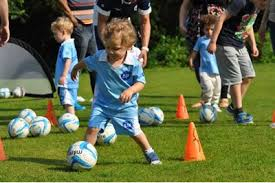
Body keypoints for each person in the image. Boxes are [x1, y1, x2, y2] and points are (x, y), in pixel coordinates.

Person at [71, 18, 161, 165]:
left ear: (128, 46)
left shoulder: (133, 62)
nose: (111, 52)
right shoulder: (100, 57)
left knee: (134, 132)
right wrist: (76, 68)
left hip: (124, 106)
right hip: (101, 104)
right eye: (109, 47)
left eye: (117, 48)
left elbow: (141, 82)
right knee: (92, 128)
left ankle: (149, 152)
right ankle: (84, 156)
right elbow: (86, 61)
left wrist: (131, 90)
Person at [207, 0, 267, 124]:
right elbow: (220, 18)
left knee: (249, 75)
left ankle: (233, 107)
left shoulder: (256, 7)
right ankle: (239, 113)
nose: (266, 3)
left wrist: (253, 45)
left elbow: (248, 26)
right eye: (264, 0)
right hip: (225, 42)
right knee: (236, 79)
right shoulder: (240, 3)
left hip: (239, 44)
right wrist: (213, 42)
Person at [179, 0, 230, 109]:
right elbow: (185, 4)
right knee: (199, 64)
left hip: (219, 23)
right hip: (196, 27)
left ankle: (223, 97)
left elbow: (233, 5)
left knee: (221, 61)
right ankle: (206, 98)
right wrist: (181, 23)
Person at [58, 0, 98, 108]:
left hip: (93, 25)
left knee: (95, 65)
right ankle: (70, 101)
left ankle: (97, 100)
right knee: (75, 65)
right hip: (79, 25)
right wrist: (72, 18)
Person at [95, 0, 151, 67]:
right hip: (103, 22)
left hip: (124, 21)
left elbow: (145, 22)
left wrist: (144, 48)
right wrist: (107, 46)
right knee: (106, 62)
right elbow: (102, 22)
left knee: (131, 59)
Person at [188, 15, 221, 112]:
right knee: (208, 88)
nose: (209, 32)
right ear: (203, 29)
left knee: (217, 89)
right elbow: (195, 51)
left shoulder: (217, 40)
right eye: (207, 29)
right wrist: (191, 60)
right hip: (204, 70)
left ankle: (214, 104)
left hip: (217, 70)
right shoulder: (201, 40)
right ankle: (206, 103)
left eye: (212, 29)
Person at [51, 16, 79, 115]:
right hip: (69, 80)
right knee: (68, 100)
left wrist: (63, 75)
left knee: (68, 101)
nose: (54, 36)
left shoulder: (67, 45)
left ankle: (71, 120)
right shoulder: (69, 44)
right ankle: (71, 118)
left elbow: (68, 60)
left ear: (63, 32)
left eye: (55, 34)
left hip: (66, 80)